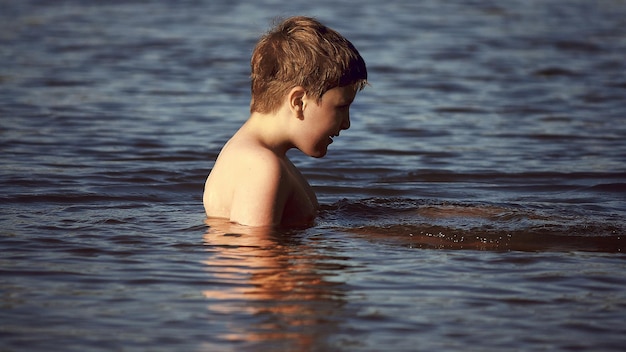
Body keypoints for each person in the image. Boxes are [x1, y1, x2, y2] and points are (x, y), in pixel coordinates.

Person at [203, 16, 367, 227]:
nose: (346, 123)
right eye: (341, 107)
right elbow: (254, 253)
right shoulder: (263, 168)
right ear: (298, 102)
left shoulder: (260, 157)